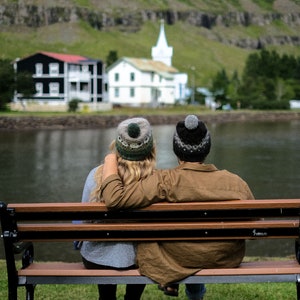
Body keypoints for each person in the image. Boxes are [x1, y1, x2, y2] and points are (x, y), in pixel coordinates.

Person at [100, 114, 254, 300]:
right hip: (224, 258)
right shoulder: (235, 183)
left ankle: (173, 282)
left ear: (176, 150)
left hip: (177, 258)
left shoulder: (164, 180)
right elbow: (253, 228)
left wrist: (110, 161)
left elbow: (115, 199)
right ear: (207, 148)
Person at [80, 117, 156, 300]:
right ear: (150, 147)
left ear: (118, 144)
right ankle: (132, 297)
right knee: (143, 251)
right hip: (140, 259)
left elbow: (84, 219)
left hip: (96, 258)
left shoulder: (96, 175)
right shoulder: (156, 181)